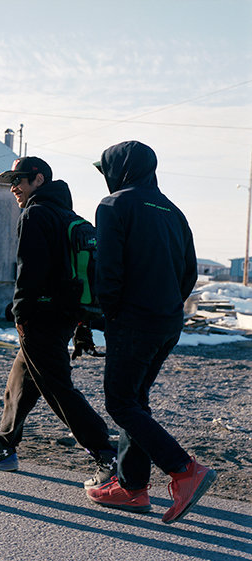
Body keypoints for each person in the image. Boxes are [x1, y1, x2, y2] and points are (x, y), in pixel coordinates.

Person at [86, 140, 216, 524]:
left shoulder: (113, 205)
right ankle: (131, 487)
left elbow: (107, 269)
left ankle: (183, 469)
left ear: (120, 169)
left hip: (132, 320)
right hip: (168, 322)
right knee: (135, 402)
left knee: (120, 403)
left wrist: (110, 312)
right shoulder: (174, 212)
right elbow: (189, 272)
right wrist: (167, 304)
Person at [0, 157, 117, 487]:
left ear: (38, 179)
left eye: (18, 180)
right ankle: (4, 446)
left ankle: (107, 453)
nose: (13, 188)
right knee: (21, 381)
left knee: (55, 386)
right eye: (11, 182)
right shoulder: (69, 216)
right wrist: (79, 321)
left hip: (40, 316)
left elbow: (30, 269)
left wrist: (20, 314)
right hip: (63, 315)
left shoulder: (35, 213)